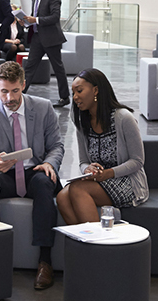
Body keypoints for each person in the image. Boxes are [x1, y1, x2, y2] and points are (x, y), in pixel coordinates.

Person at [0, 61, 64, 290]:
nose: (9, 98)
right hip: (7, 174)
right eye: (4, 91)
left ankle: (45, 260)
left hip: (35, 171)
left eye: (15, 91)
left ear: (23, 85)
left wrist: (48, 164)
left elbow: (56, 146)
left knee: (45, 182)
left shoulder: (43, 108)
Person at [56, 68, 147, 225]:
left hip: (127, 181)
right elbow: (83, 161)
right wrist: (87, 169)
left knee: (78, 189)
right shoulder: (82, 123)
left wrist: (108, 173)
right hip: (99, 180)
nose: (75, 97)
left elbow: (137, 161)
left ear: (96, 90)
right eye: (73, 93)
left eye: (79, 91)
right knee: (62, 196)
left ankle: (96, 243)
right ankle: (83, 243)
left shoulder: (123, 118)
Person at [22, 0, 69, 107]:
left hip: (51, 38)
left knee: (58, 67)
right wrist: (25, 21)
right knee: (29, 67)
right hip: (37, 37)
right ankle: (20, 93)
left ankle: (65, 97)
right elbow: (34, 15)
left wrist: (35, 20)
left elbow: (55, 17)